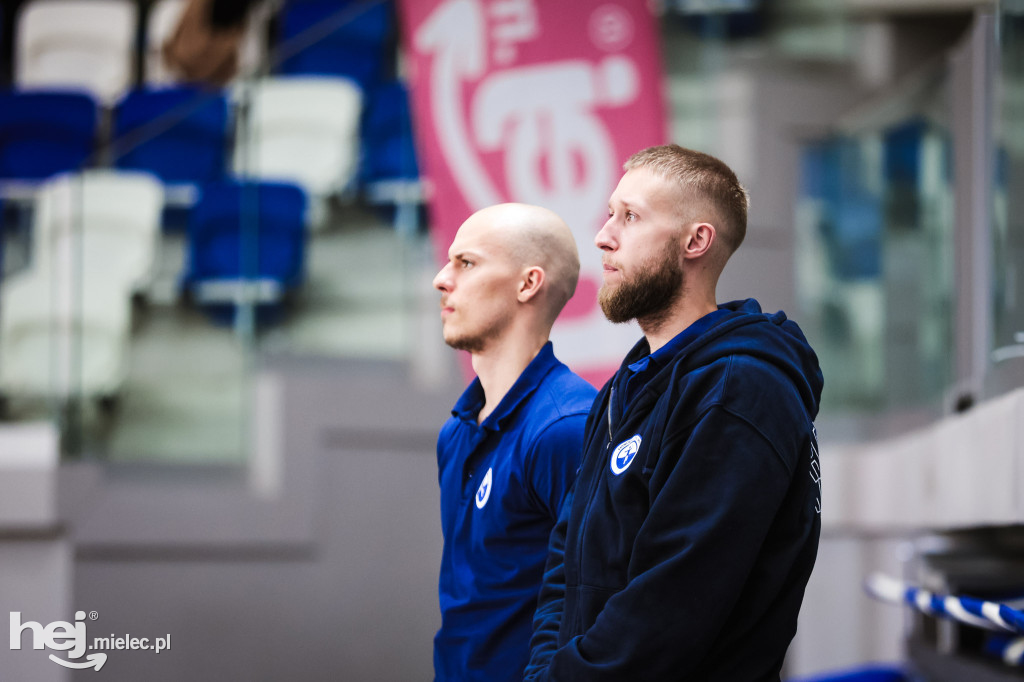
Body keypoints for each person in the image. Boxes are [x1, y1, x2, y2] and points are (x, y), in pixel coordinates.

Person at [524, 145, 824, 681]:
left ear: (696, 241)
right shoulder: (625, 389)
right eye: (610, 213)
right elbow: (563, 571)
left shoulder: (740, 389)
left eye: (631, 217)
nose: (603, 235)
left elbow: (674, 600)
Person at [432, 203, 598, 682]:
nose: (442, 279)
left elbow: (598, 602)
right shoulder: (456, 431)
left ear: (528, 284)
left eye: (467, 263)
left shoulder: (568, 427)